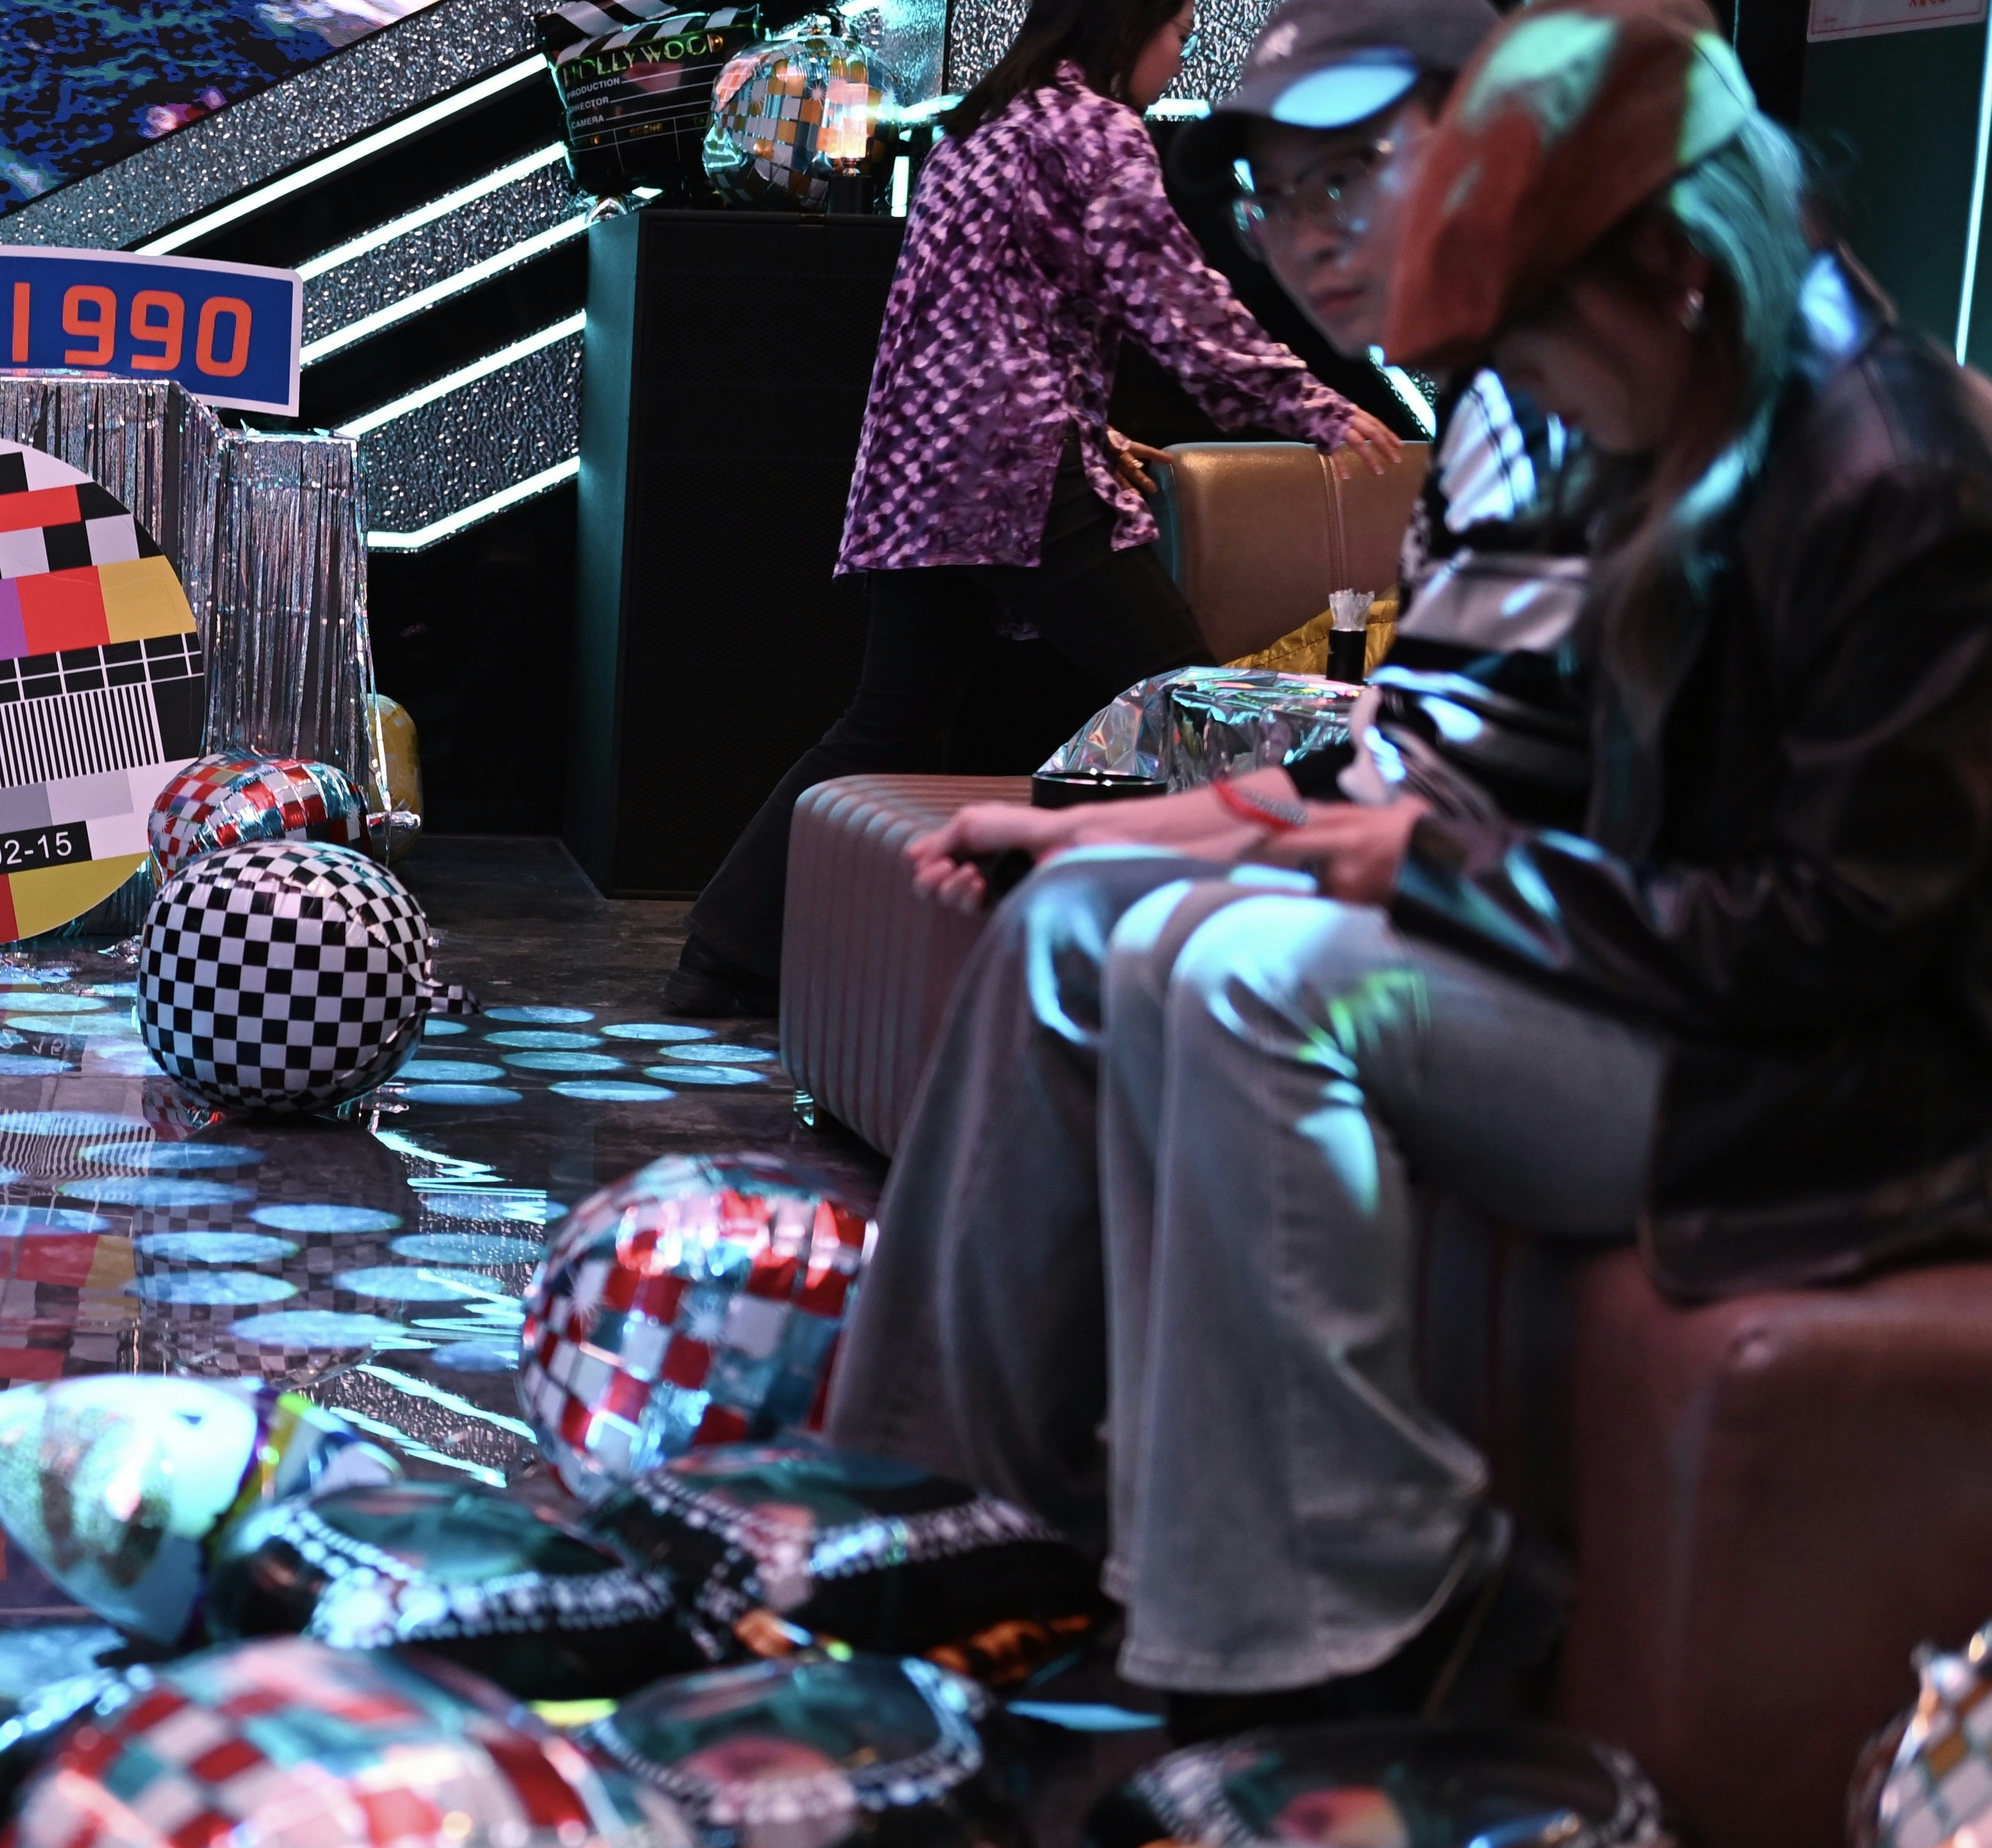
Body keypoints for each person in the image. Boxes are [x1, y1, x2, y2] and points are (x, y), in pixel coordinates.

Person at [828, 0, 1992, 1729]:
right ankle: (965, 1513)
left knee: (1244, 982)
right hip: (1664, 997)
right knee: (1128, 940)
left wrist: (1431, 881)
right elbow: (1474, 784)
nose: (1517, 397)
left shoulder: (1882, 474)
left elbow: (1820, 948)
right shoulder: (1691, 411)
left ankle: (1343, 1617)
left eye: (1529, 347)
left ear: (1663, 275)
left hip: (1828, 1109)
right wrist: (1327, 850)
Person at [659, 0, 1408, 1016]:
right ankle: (1254, 970)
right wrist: (1310, 403)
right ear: (1125, 28)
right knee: (1184, 702)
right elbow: (1176, 304)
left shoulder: (984, 126)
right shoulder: (1092, 130)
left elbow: (971, 321)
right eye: (1179, 30)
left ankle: (722, 959)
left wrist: (1090, 431)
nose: (1182, 52)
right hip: (1014, 471)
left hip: (929, 468)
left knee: (887, 723)